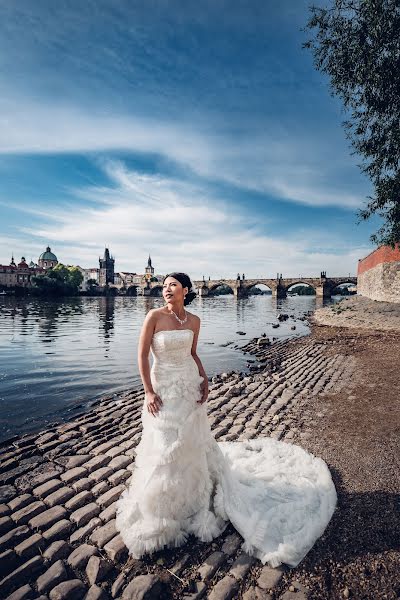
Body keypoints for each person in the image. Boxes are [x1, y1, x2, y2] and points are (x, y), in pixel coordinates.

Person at [115, 272, 337, 567]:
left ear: (186, 290)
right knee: (164, 443)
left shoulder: (194, 321)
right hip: (163, 388)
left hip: (188, 384)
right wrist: (148, 392)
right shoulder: (154, 316)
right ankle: (162, 504)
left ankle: (194, 496)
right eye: (165, 285)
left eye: (173, 285)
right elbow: (142, 356)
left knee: (192, 441)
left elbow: (193, 353)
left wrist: (204, 378)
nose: (167, 289)